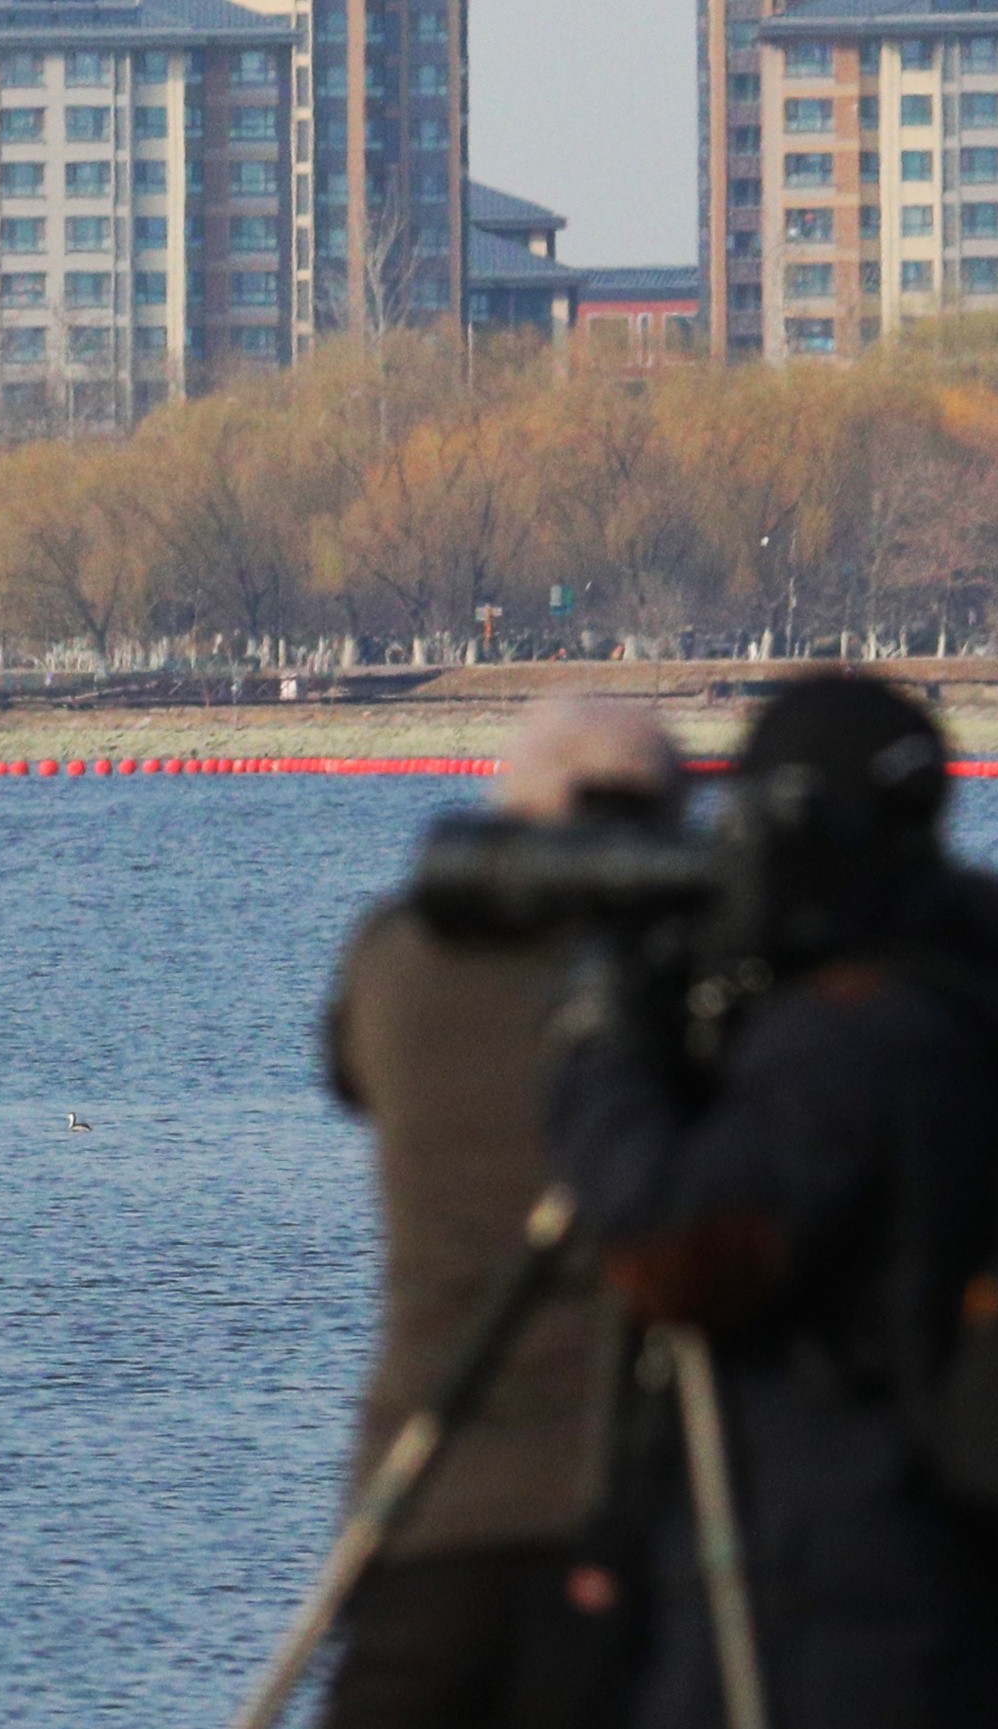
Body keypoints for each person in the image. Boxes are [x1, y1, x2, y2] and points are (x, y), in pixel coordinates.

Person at [547, 672, 998, 1729]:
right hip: (988, 1615)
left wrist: (605, 1049)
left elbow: (672, 1247)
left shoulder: (855, 1041)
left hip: (829, 1616)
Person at [316, 694, 686, 1728]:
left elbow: (344, 1066)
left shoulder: (400, 958)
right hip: (634, 1521)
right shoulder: (694, 974)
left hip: (427, 1509)